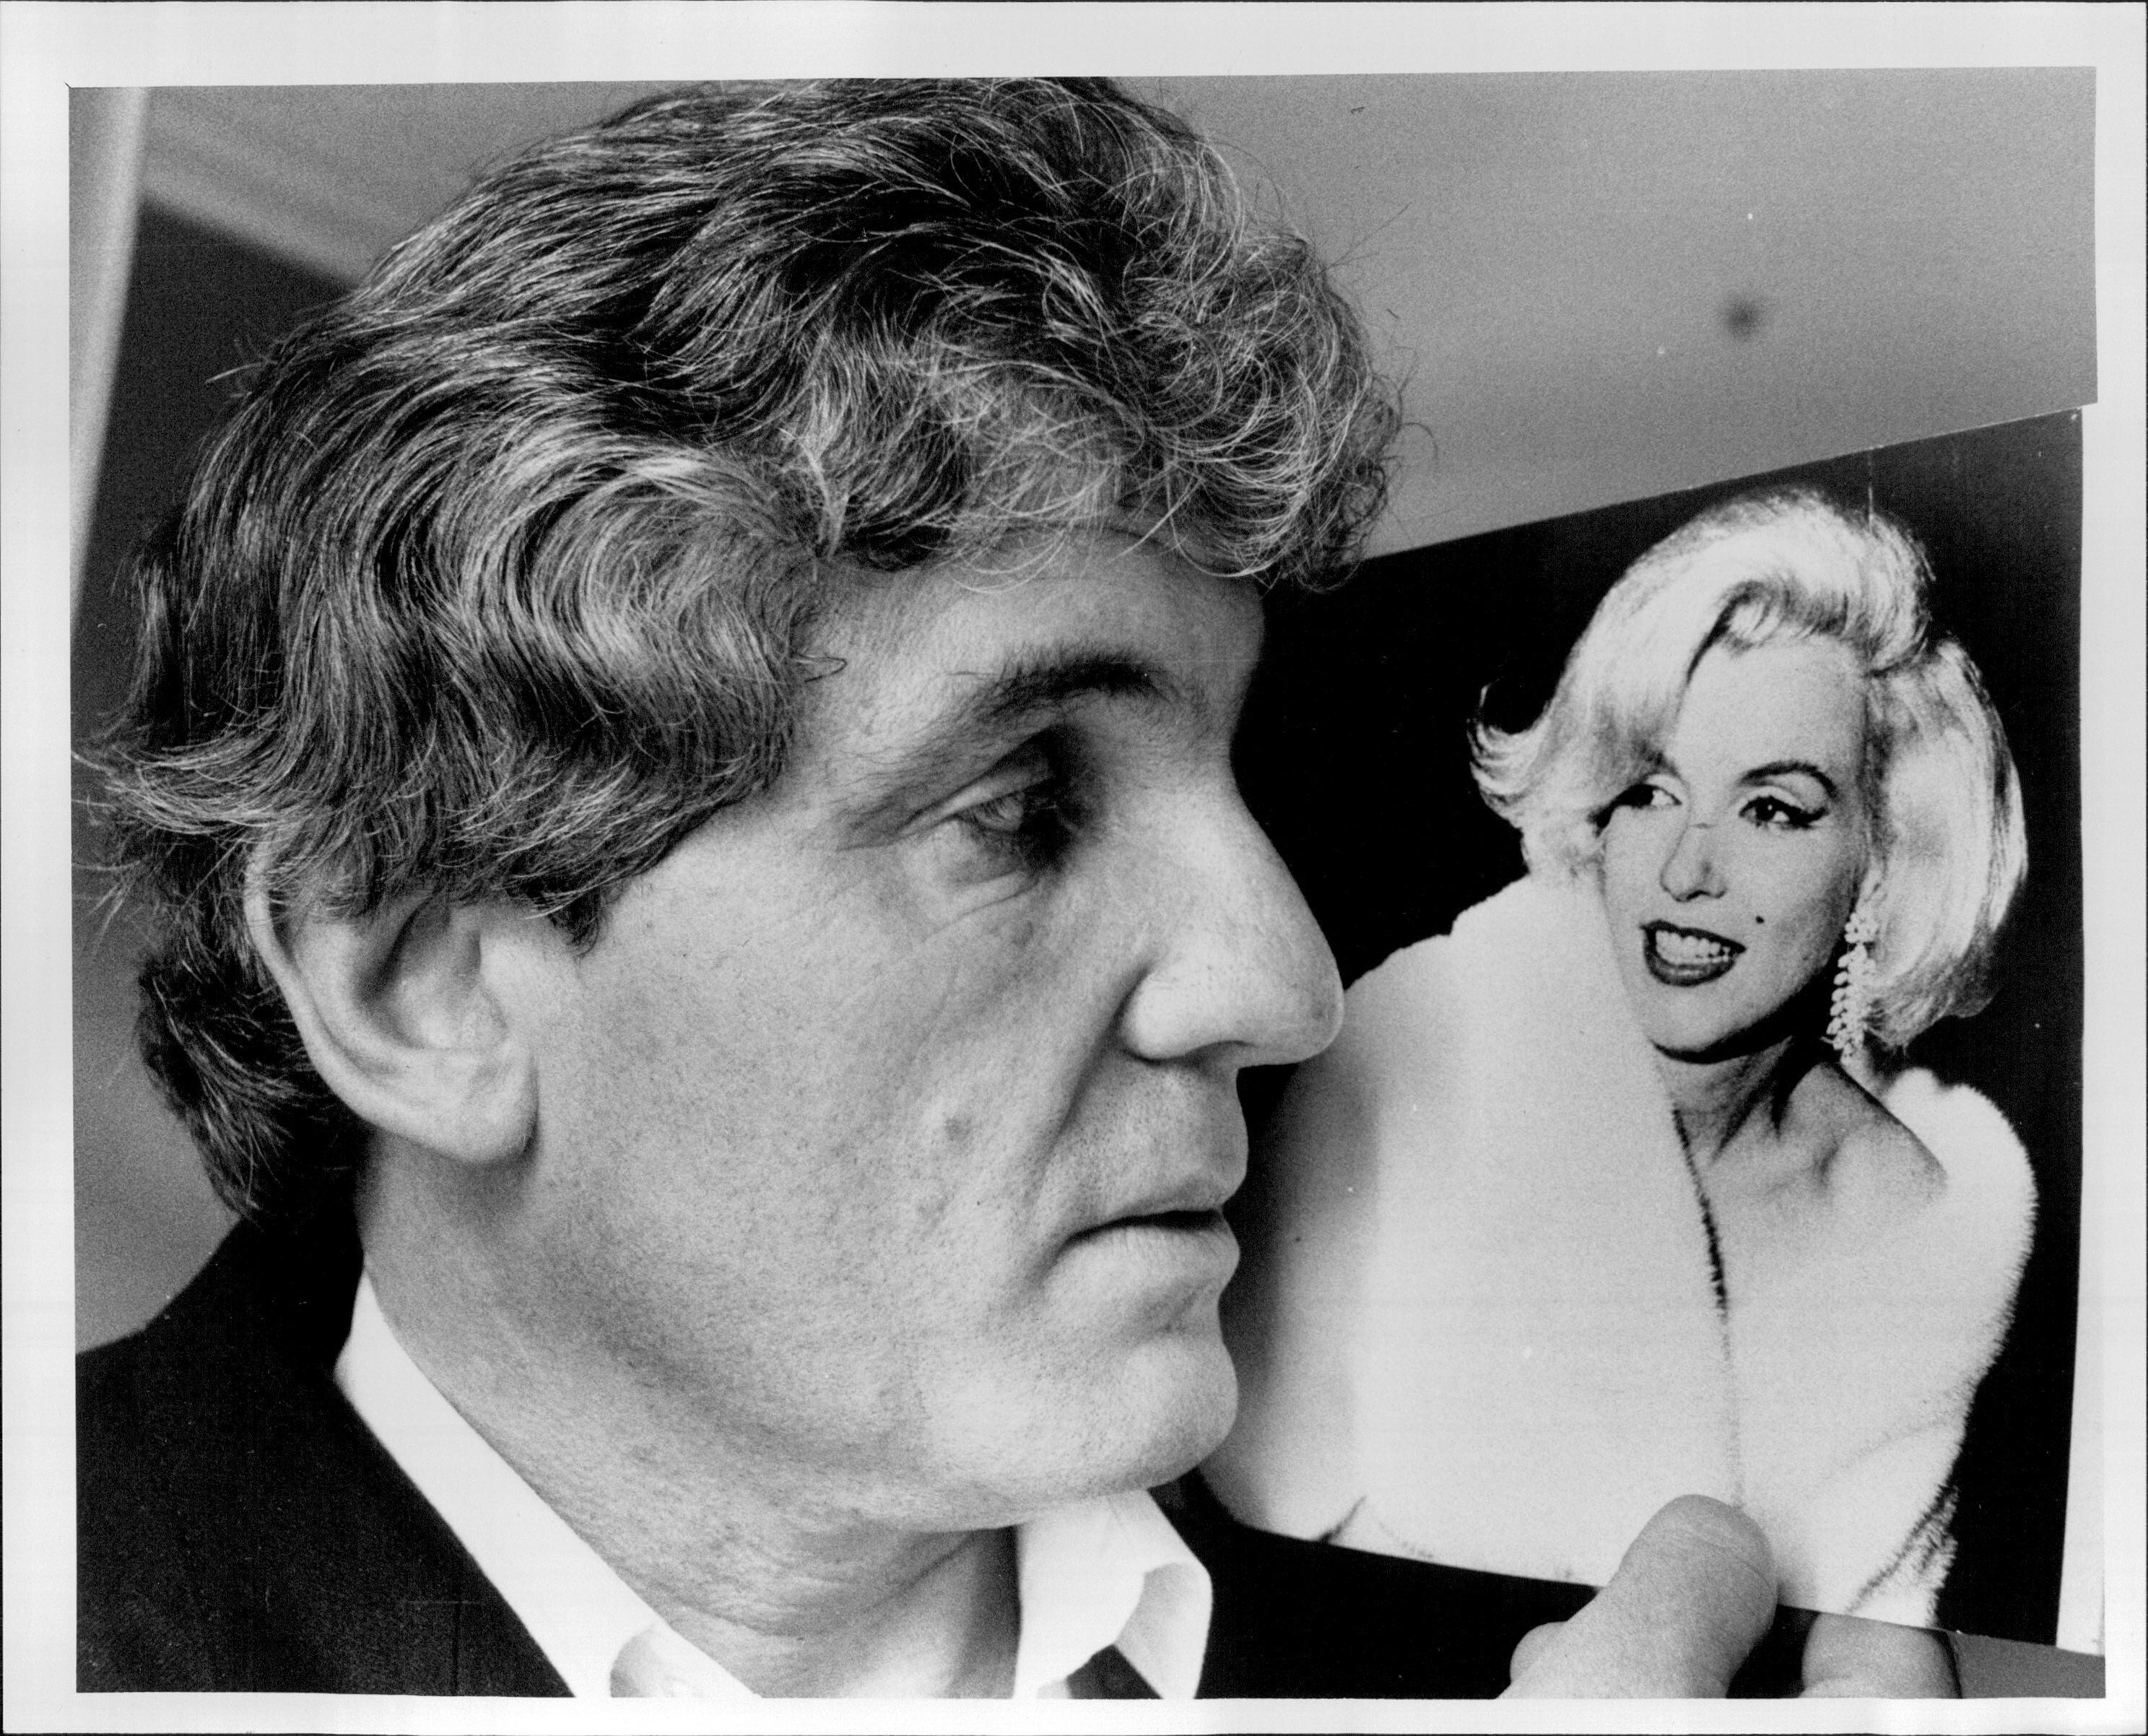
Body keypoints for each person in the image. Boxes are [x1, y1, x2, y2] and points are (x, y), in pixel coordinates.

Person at [78, 82, 1949, 1699]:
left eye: (1238, 771)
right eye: (1022, 802)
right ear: (425, 985)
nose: (1287, 981)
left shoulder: (1569, 1677)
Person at [1210, 488, 2032, 1633]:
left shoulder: (1928, 1233)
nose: (1689, 868)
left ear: (1883, 864)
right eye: (1653, 790)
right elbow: (1240, 1556)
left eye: (1775, 811)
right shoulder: (1427, 1045)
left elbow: (1881, 1642)